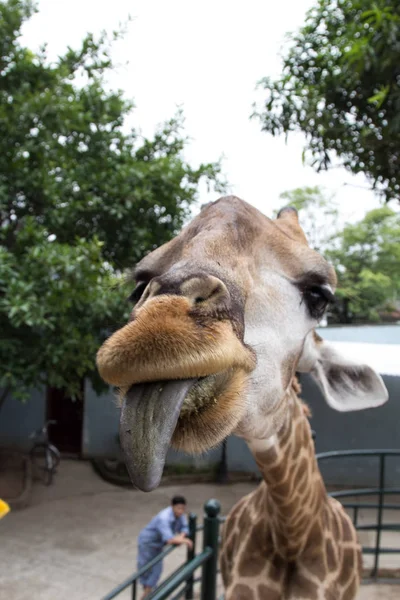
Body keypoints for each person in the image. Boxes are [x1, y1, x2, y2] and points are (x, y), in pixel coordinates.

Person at [137, 495, 193, 598]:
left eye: (183, 508)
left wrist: (181, 536)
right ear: (172, 506)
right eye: (178, 508)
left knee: (156, 571)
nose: (180, 511)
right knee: (146, 570)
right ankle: (147, 595)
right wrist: (185, 540)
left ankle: (147, 596)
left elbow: (184, 527)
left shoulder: (180, 515)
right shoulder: (164, 517)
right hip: (147, 543)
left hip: (159, 545)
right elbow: (170, 539)